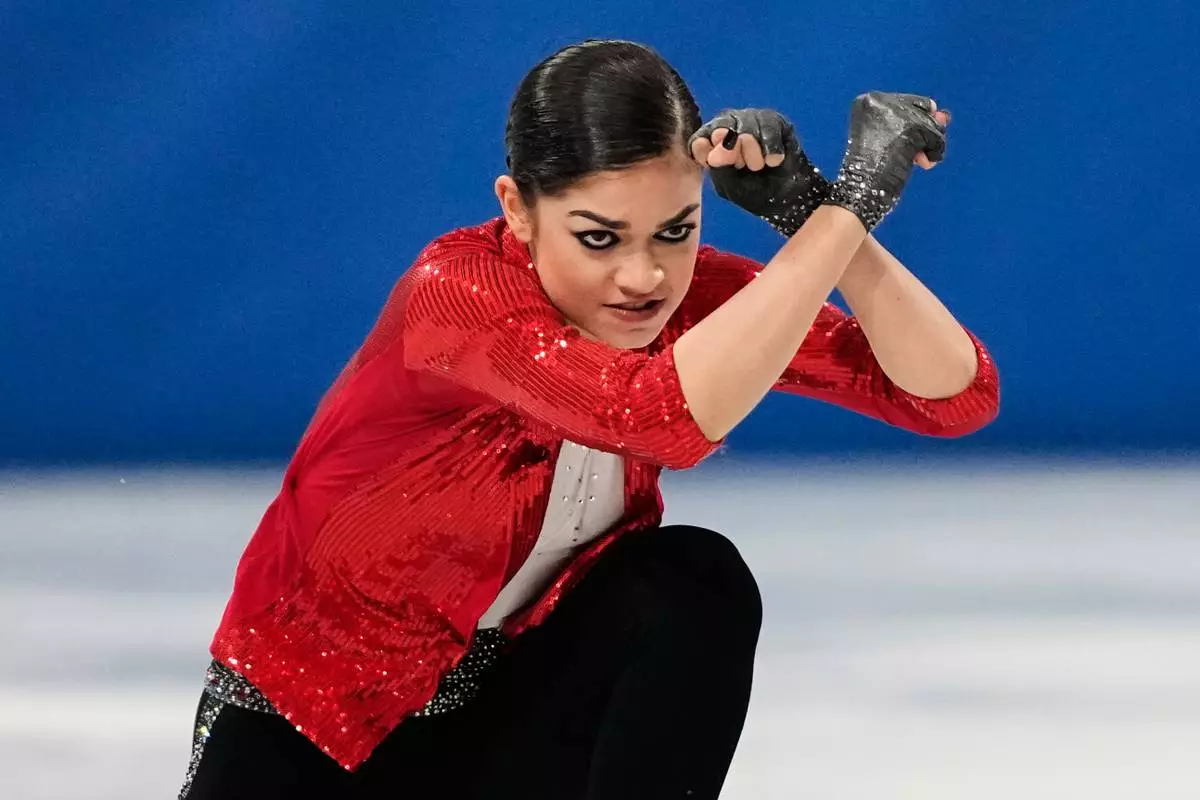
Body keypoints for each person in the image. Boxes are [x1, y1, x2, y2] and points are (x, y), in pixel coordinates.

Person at [178, 38, 999, 800]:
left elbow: (947, 394)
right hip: (310, 741)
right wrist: (849, 209)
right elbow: (656, 419)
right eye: (599, 238)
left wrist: (816, 214)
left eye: (676, 231)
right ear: (519, 209)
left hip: (504, 728)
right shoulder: (458, 297)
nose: (642, 275)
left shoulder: (680, 298)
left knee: (691, 580)